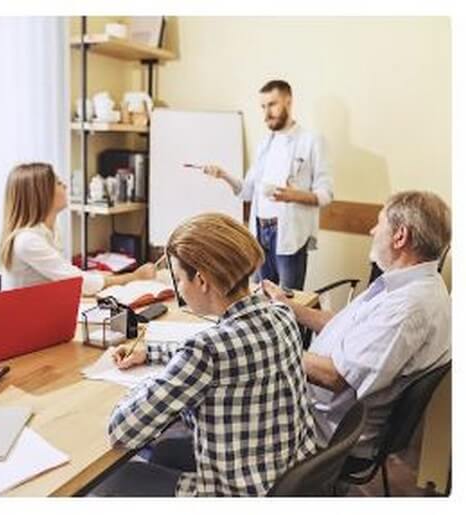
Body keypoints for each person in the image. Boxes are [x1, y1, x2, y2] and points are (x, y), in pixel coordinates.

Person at [92, 213, 317, 496]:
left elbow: (122, 429)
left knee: (115, 481)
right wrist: (151, 353)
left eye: (177, 279)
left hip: (235, 494)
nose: (179, 291)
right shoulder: (280, 314)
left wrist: (151, 381)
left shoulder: (205, 352)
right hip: (284, 476)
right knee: (164, 450)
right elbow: (233, 354)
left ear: (201, 280)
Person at [262, 190, 451, 459]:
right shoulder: (406, 284)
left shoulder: (408, 308)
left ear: (400, 236)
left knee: (230, 388)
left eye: (380, 223)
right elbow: (341, 325)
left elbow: (335, 376)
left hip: (326, 430)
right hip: (324, 409)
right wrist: (286, 305)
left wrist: (264, 347)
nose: (373, 231)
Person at [203, 79, 333, 290]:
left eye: (272, 105)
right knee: (260, 296)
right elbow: (247, 191)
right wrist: (223, 175)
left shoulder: (311, 141)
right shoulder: (264, 144)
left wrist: (292, 196)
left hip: (289, 234)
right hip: (260, 232)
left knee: (289, 302)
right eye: (263, 107)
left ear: (288, 102)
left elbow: (326, 194)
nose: (266, 114)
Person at [0, 162, 155, 295]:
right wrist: (135, 276)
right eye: (58, 183)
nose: (65, 185)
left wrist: (104, 277)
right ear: (42, 194)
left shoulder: (49, 232)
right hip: (28, 323)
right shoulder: (27, 241)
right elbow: (80, 283)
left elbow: (69, 275)